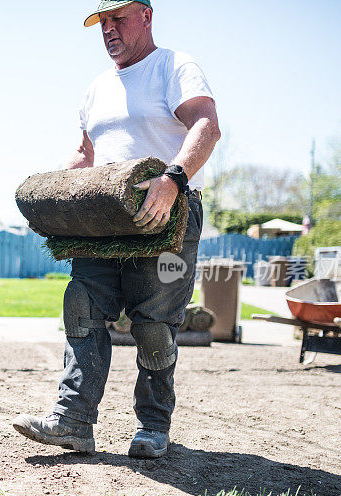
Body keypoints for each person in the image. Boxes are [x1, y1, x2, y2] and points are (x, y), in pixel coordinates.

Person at [13, 0, 221, 458]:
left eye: (117, 18)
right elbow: (85, 156)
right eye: (101, 22)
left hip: (167, 215)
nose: (108, 29)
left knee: (152, 324)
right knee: (82, 304)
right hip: (105, 218)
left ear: (146, 16)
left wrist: (172, 181)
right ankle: (73, 421)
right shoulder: (97, 88)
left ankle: (153, 425)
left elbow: (206, 125)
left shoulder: (174, 66)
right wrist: (54, 196)